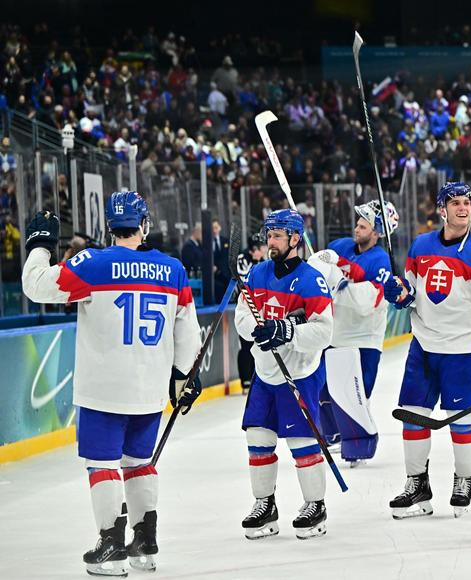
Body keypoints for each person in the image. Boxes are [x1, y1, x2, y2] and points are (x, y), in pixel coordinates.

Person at [21, 192, 202, 576]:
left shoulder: (94, 264)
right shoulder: (172, 270)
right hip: (150, 391)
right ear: (144, 225)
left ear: (109, 226)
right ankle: (145, 544)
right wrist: (184, 375)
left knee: (102, 464)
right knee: (138, 463)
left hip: (103, 391)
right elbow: (188, 330)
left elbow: (35, 286)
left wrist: (40, 246)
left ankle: (112, 546)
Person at [383, 182, 471, 519]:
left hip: (463, 349)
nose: (463, 208)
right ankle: (417, 484)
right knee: (412, 414)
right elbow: (410, 291)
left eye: (467, 203)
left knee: (461, 420)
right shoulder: (421, 245)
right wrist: (400, 294)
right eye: (455, 203)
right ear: (441, 210)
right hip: (423, 345)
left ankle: (464, 479)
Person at [234, 209, 334, 540]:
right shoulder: (257, 273)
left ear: (295, 239)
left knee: (302, 441)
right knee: (258, 437)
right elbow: (242, 315)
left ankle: (315, 505)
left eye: (277, 235)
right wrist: (258, 330)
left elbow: (324, 332)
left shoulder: (311, 280)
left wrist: (286, 332)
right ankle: (265, 505)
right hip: (265, 371)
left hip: (300, 372)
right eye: (269, 235)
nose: (270, 241)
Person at [309, 200, 397, 467]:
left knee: (357, 394)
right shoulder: (341, 247)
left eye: (363, 226)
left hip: (364, 338)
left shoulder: (381, 261)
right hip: (335, 333)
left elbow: (367, 303)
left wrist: (338, 281)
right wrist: (317, 266)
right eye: (357, 224)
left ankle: (360, 444)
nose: (356, 229)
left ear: (378, 232)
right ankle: (334, 437)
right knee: (324, 391)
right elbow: (318, 272)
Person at [236, 233, 267, 393]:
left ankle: (256, 377)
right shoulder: (242, 259)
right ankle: (245, 379)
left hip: (260, 308)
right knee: (246, 345)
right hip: (246, 308)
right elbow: (243, 284)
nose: (265, 250)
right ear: (254, 249)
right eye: (262, 247)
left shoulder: (263, 261)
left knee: (259, 345)